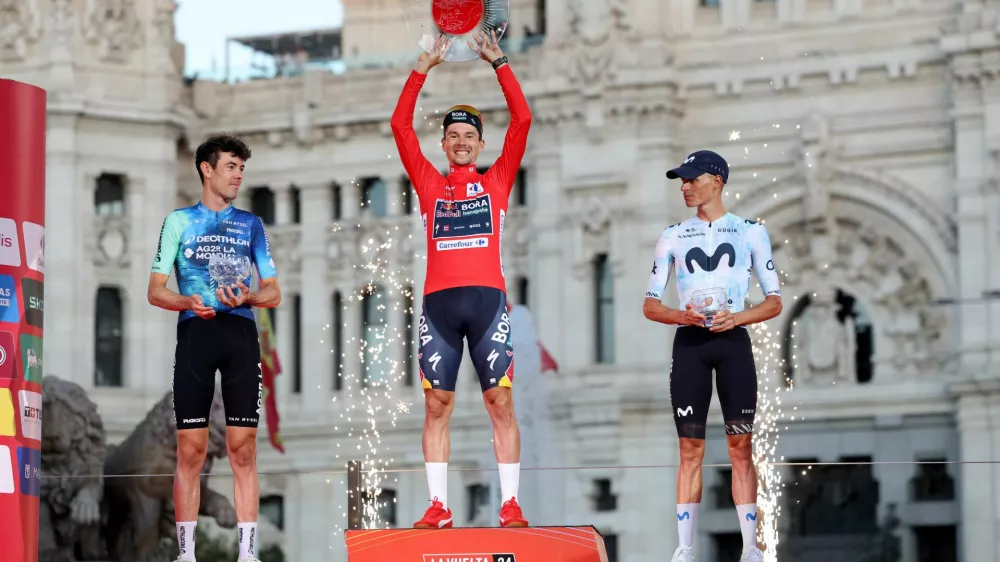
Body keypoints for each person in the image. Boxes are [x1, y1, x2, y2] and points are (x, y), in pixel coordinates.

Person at [390, 31, 532, 529]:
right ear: (445, 143)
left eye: (470, 136)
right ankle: (438, 506)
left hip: (488, 304)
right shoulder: (430, 184)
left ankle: (511, 504)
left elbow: (524, 120)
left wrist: (500, 63)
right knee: (436, 404)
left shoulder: (496, 181)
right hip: (439, 308)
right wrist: (422, 66)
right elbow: (399, 127)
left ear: (480, 144)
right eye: (453, 135)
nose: (462, 141)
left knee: (500, 401)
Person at [642, 150, 783, 562]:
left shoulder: (751, 232)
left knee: (741, 444)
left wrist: (737, 318)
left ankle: (750, 548)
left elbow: (774, 301)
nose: (684, 187)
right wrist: (680, 316)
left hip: (732, 342)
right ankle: (684, 548)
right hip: (690, 345)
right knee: (689, 447)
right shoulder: (671, 235)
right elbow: (650, 305)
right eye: (681, 181)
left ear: (717, 182)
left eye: (691, 179)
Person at [148, 135, 282, 562]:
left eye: (242, 168)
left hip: (241, 336)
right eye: (231, 166)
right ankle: (186, 553)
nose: (238, 174)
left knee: (244, 447)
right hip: (196, 335)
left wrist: (247, 298)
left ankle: (248, 553)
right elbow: (155, 290)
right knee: (191, 448)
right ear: (207, 169)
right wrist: (188, 301)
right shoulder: (178, 222)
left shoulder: (252, 225)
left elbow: (274, 292)